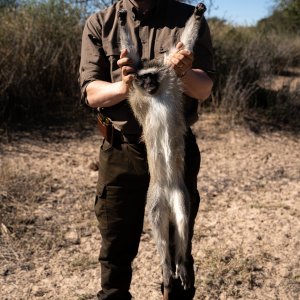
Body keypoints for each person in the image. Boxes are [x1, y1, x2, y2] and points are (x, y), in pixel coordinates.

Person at [79, 1, 215, 299]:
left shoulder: (187, 17)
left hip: (174, 151)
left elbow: (203, 89)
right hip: (121, 150)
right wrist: (126, 85)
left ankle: (173, 280)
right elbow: (90, 93)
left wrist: (182, 71)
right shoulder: (101, 22)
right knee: (116, 246)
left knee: (178, 232)